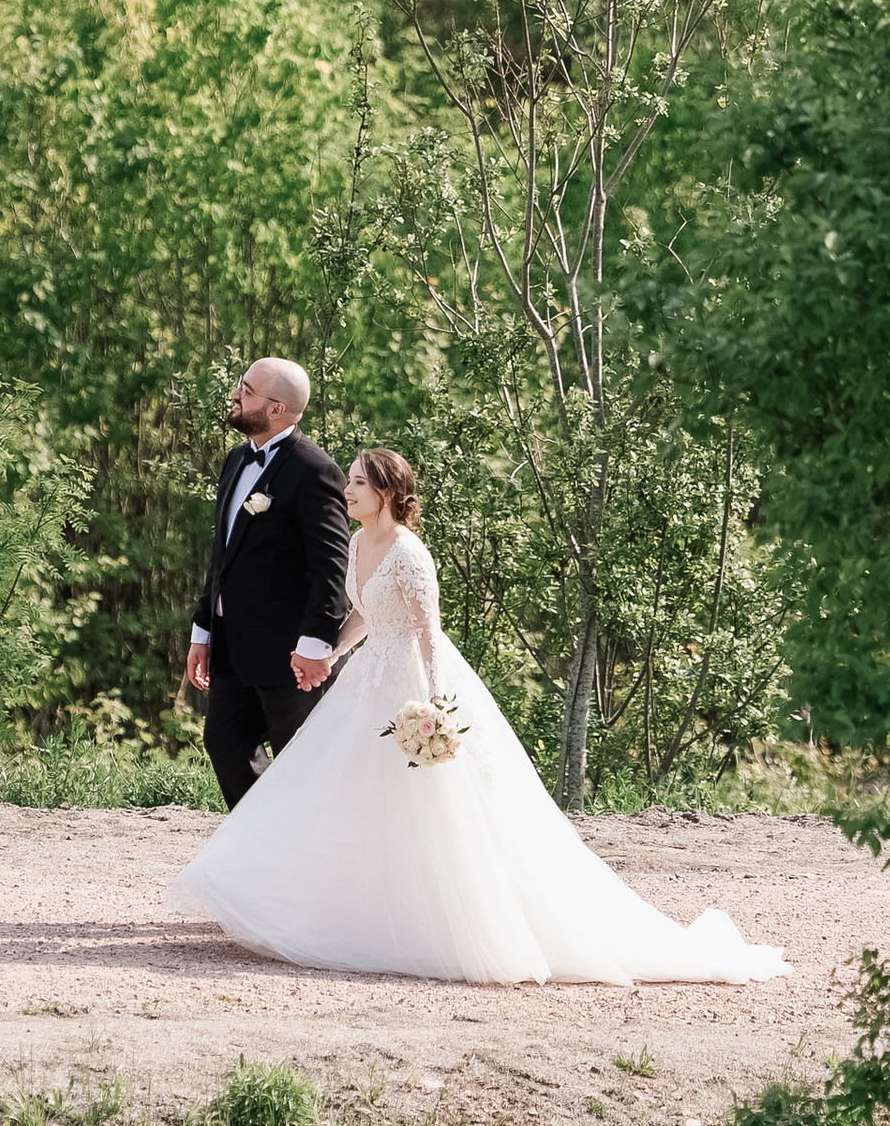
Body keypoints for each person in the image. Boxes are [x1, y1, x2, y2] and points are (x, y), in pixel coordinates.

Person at [170, 440, 786, 985]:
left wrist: (436, 707)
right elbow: (363, 615)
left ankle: (442, 921)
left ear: (386, 492)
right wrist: (330, 653)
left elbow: (427, 633)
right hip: (366, 679)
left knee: (429, 802)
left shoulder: (410, 554)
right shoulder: (358, 543)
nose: (347, 490)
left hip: (412, 681)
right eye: (350, 481)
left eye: (358, 482)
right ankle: (355, 908)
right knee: (350, 792)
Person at [182, 357, 353, 811]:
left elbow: (332, 565)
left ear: (276, 409)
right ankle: (262, 842)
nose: (235, 394)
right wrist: (203, 630)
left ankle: (306, 848)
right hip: (231, 646)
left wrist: (316, 644)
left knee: (302, 762)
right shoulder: (236, 459)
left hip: (290, 656)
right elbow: (223, 554)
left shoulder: (315, 470)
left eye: (246, 389)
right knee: (226, 745)